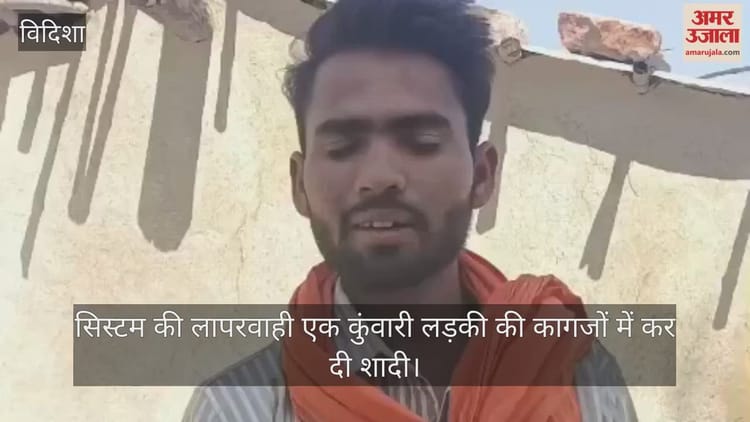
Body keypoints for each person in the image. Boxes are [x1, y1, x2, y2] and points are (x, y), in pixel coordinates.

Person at [183, 0, 638, 420]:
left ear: (482, 175)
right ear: (300, 185)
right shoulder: (236, 410)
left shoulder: (574, 376)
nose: (379, 176)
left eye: (421, 142)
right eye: (342, 146)